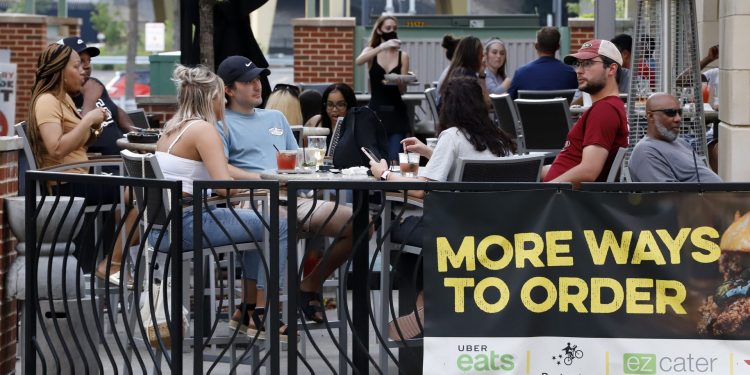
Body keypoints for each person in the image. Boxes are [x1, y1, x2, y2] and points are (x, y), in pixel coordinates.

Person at [216, 55, 361, 323]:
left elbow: (298, 159)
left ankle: (308, 285)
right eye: (248, 81)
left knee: (360, 222)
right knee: (277, 224)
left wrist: (318, 163)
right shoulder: (219, 122)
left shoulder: (276, 117)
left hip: (292, 196)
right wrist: (263, 179)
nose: (257, 85)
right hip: (253, 198)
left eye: (258, 79)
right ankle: (263, 309)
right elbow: (222, 167)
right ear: (229, 89)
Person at [368, 76, 515, 340]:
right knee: (416, 236)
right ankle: (435, 300)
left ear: (449, 106)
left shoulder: (453, 136)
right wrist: (429, 153)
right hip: (496, 235)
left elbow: (421, 190)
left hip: (453, 236)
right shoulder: (501, 141)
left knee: (391, 228)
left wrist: (383, 175)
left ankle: (433, 302)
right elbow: (464, 167)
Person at [150, 64, 290, 338]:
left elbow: (218, 174)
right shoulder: (204, 130)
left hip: (160, 231)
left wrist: (258, 180)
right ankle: (264, 313)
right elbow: (223, 186)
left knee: (258, 225)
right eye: (220, 96)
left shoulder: (172, 128)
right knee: (278, 225)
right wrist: (257, 189)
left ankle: (248, 308)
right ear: (210, 98)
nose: (224, 102)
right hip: (187, 225)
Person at [27, 42, 132, 282]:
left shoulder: (62, 98)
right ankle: (113, 263)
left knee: (144, 189)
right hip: (68, 183)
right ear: (60, 71)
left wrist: (94, 127)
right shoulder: (46, 101)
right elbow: (55, 148)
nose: (83, 71)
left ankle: (113, 262)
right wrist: (87, 120)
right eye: (76, 66)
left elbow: (76, 146)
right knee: (143, 193)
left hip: (80, 177)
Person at [542, 39, 629, 186]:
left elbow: (589, 171)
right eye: (578, 64)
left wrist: (544, 190)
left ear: (612, 69)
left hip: (561, 201)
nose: (579, 71)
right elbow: (570, 164)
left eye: (588, 63)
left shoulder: (604, 110)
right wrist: (532, 170)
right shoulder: (608, 107)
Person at [58, 37, 137, 157]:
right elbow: (77, 141)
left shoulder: (94, 84)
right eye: (79, 62)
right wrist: (90, 99)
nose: (87, 66)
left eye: (88, 61)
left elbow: (117, 112)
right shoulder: (58, 99)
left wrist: (136, 137)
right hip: (100, 168)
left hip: (127, 160)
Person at [628, 93, 721, 183]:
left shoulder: (681, 143)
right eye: (670, 113)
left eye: (679, 112)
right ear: (651, 116)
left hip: (721, 195)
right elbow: (668, 196)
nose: (678, 119)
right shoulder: (645, 151)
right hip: (707, 198)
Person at [355, 15, 411, 161]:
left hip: (396, 112)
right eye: (388, 28)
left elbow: (402, 90)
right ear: (379, 30)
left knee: (394, 158)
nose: (392, 31)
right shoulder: (372, 52)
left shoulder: (402, 56)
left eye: (394, 28)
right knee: (375, 158)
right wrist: (382, 47)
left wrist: (401, 81)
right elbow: (359, 61)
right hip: (376, 111)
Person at [507, 27, 577, 99]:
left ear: (536, 46)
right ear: (558, 47)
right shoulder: (570, 73)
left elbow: (509, 102)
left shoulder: (521, 73)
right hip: (559, 111)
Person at [438, 36, 490, 109]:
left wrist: (481, 75)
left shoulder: (455, 72)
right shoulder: (468, 79)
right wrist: (482, 76)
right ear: (473, 57)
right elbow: (485, 105)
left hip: (447, 119)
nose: (484, 60)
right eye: (482, 55)